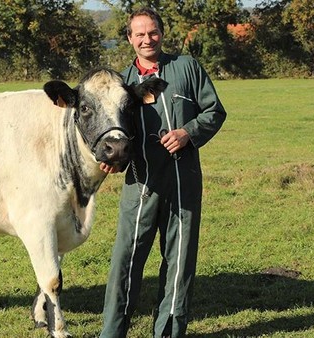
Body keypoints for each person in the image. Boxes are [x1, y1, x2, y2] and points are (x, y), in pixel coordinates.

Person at [99, 7, 227, 338]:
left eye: (152, 32)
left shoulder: (186, 68)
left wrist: (188, 132)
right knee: (125, 263)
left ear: (162, 33)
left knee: (179, 265)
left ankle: (168, 332)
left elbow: (214, 110)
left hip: (183, 184)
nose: (147, 39)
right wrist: (111, 160)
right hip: (139, 185)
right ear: (129, 38)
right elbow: (110, 133)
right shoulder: (121, 84)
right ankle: (113, 332)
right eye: (139, 34)